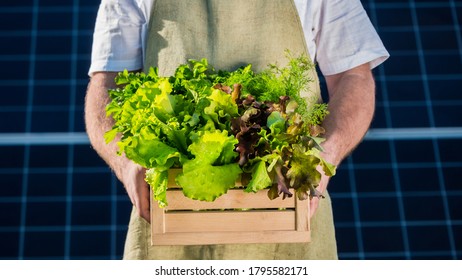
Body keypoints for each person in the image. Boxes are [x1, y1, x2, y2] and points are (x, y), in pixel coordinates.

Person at [85, 0, 389, 260]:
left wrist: (324, 157)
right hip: (170, 216)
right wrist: (126, 161)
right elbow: (107, 82)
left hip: (288, 209)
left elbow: (354, 75)